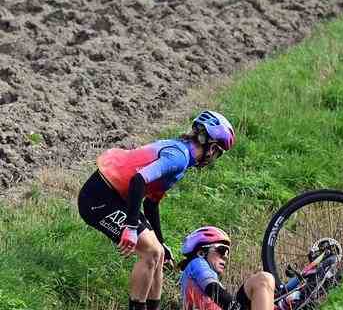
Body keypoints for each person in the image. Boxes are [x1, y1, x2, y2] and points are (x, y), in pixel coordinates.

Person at [77, 110, 236, 310]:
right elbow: (138, 181)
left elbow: (151, 203)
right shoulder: (178, 157)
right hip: (98, 198)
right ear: (212, 148)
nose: (215, 159)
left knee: (159, 252)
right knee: (150, 252)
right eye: (219, 153)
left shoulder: (183, 158)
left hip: (117, 197)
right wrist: (131, 227)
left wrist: (161, 240)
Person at [179, 226, 281, 310]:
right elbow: (213, 289)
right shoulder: (196, 263)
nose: (225, 256)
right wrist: (236, 308)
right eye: (222, 250)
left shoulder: (198, 280)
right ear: (201, 253)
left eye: (228, 252)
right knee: (263, 279)